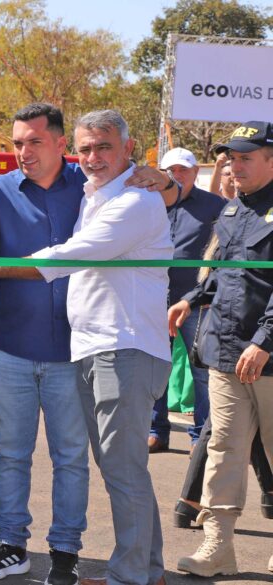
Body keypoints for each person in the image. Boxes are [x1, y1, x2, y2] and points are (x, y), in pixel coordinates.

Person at [0, 103, 177, 584]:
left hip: (83, 351)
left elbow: (71, 254)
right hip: (17, 346)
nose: (24, 152)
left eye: (34, 141)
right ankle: (13, 546)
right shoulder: (8, 190)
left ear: (58, 145)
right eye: (17, 143)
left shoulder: (106, 190)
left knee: (82, 461)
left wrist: (167, 182)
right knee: (13, 454)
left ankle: (69, 554)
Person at [174, 120, 273, 577]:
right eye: (231, 158)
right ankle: (218, 547)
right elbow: (223, 273)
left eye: (245, 157)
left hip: (268, 358)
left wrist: (265, 341)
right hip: (227, 352)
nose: (235, 166)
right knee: (223, 452)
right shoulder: (233, 211)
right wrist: (191, 299)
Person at [148, 147, 226, 453]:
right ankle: (157, 431)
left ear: (195, 173)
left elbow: (225, 250)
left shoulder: (214, 205)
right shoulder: (149, 202)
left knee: (201, 372)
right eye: (171, 170)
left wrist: (211, 291)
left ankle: (199, 437)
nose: (177, 175)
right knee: (157, 368)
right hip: (154, 299)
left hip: (196, 303)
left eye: (183, 170)